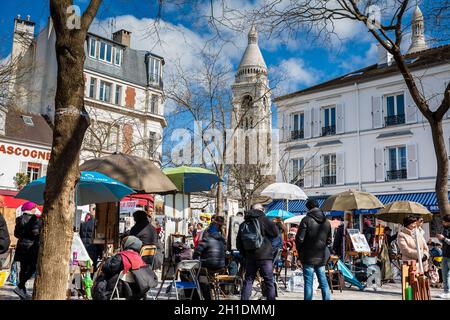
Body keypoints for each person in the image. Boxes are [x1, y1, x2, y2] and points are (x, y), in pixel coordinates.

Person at [237, 203, 278, 300]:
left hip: (250, 256)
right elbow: (275, 233)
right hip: (265, 255)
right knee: (269, 281)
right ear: (260, 210)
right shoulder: (264, 220)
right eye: (263, 209)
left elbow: (239, 242)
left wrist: (245, 254)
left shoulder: (244, 223)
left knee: (248, 280)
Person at [295, 199, 332, 301]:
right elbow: (329, 240)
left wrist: (300, 253)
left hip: (308, 255)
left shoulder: (306, 220)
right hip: (321, 255)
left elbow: (299, 239)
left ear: (308, 208)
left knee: (308, 282)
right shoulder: (326, 221)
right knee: (323, 280)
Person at [93, 236, 147, 300]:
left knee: (102, 278)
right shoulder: (139, 258)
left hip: (119, 289)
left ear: (127, 244)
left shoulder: (121, 256)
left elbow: (106, 269)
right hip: (135, 290)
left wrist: (112, 257)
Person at [13, 202, 42, 299]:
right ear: (31, 209)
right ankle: (21, 286)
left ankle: (22, 291)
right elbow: (35, 233)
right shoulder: (34, 219)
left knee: (23, 269)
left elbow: (16, 234)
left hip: (21, 246)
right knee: (33, 267)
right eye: (34, 207)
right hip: (31, 248)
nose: (35, 209)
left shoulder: (19, 219)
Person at [193, 225, 226, 300]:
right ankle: (209, 290)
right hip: (220, 267)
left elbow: (197, 252)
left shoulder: (207, 239)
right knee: (204, 276)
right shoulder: (222, 240)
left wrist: (196, 261)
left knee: (197, 275)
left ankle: (203, 296)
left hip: (209, 266)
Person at [79, 205, 103, 271]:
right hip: (93, 251)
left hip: (84, 251)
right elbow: (99, 242)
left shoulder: (83, 224)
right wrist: (101, 253)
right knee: (91, 270)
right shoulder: (97, 225)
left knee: (84, 269)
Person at [436, 215, 450, 299]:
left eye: (444, 221)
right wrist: (440, 238)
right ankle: (446, 291)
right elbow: (444, 241)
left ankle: (447, 291)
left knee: (448, 274)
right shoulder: (445, 229)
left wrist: (444, 238)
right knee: (445, 274)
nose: (443, 223)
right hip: (444, 254)